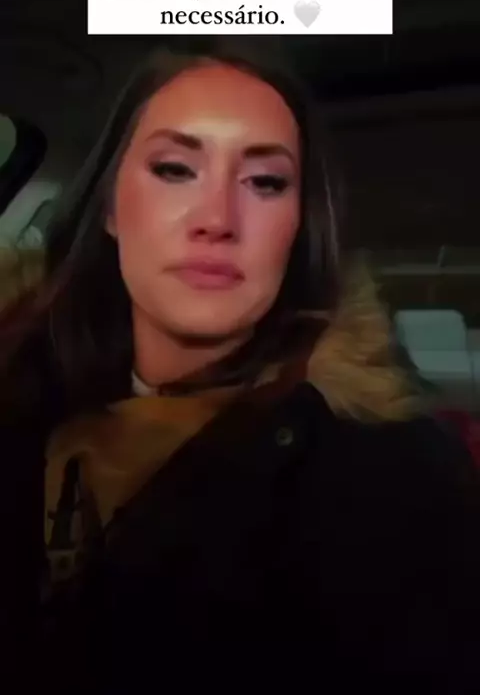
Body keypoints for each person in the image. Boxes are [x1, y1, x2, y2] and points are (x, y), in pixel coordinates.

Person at [0, 39, 479, 692]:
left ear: (299, 228)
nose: (217, 219)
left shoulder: (392, 476)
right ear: (110, 208)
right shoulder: (23, 392)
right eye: (175, 169)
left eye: (265, 182)